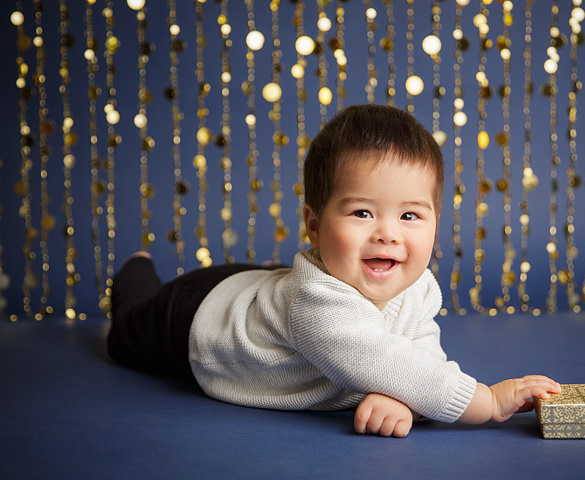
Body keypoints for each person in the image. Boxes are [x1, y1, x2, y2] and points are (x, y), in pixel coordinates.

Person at [108, 104, 560, 438]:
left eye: (410, 216)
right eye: (362, 213)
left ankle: (273, 281)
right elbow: (386, 362)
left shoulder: (417, 283)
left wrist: (404, 399)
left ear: (436, 224)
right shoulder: (320, 307)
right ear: (314, 224)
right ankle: (135, 271)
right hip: (197, 315)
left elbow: (416, 359)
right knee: (128, 331)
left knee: (284, 289)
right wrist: (489, 401)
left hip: (264, 288)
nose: (388, 234)